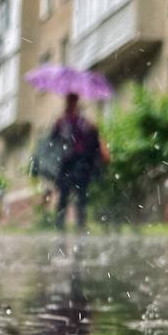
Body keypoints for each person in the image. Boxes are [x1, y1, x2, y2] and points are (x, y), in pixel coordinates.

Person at [47, 92, 107, 231]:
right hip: (67, 164)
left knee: (81, 196)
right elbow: (54, 142)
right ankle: (61, 225)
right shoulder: (62, 122)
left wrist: (94, 130)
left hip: (81, 163)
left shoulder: (83, 122)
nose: (72, 103)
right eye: (70, 101)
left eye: (73, 101)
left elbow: (92, 141)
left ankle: (80, 224)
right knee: (65, 195)